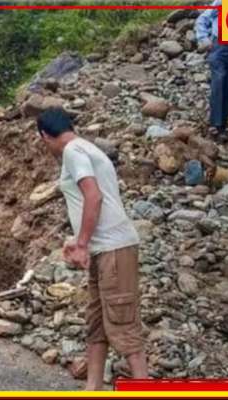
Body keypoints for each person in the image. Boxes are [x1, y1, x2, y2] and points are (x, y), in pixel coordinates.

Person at [36, 108, 148, 390]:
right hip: (105, 249)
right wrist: (79, 240)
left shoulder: (73, 152)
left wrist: (82, 243)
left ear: (44, 135)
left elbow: (93, 196)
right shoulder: (86, 147)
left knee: (124, 327)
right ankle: (93, 388)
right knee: (97, 324)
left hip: (113, 248)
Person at [195, 0, 228, 142]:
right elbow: (202, 19)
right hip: (219, 47)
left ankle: (221, 123)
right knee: (219, 81)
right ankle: (214, 124)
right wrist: (204, 39)